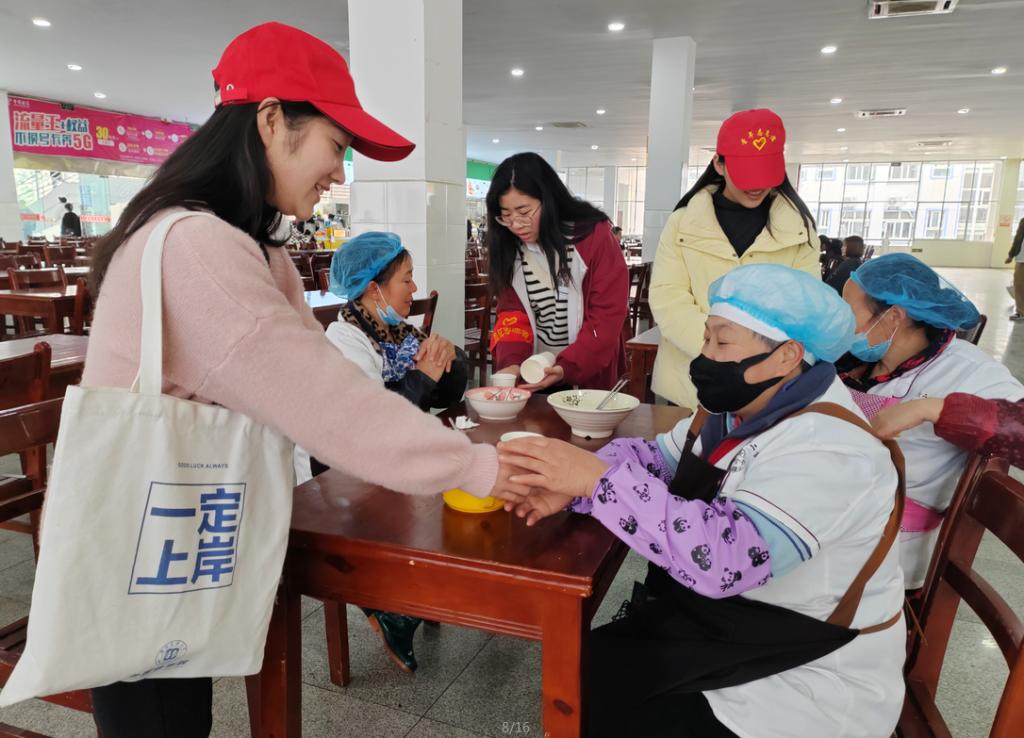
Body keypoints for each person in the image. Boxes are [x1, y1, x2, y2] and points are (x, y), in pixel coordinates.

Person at [82, 22, 515, 737]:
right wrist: (487, 469)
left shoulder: (257, 251)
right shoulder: (196, 245)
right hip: (144, 548)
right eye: (336, 146)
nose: (340, 174)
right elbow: (331, 408)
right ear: (270, 119)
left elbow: (321, 389)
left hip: (184, 533)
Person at [499, 264, 905, 738]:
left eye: (722, 341)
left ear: (787, 355)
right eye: (707, 337)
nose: (705, 355)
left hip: (804, 672)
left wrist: (598, 482)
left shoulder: (830, 449)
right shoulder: (737, 409)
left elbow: (724, 559)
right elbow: (659, 460)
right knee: (587, 671)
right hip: (731, 626)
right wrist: (574, 481)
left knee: (607, 700)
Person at [837, 253, 1024, 588]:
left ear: (893, 316)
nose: (838, 322)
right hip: (832, 514)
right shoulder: (855, 361)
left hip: (885, 548)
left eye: (847, 312)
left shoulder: (966, 370)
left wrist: (934, 409)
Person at [649, 109, 821, 408]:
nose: (756, 187)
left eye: (764, 175)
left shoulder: (799, 229)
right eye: (746, 176)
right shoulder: (682, 223)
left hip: (764, 386)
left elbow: (805, 307)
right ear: (719, 163)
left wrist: (753, 359)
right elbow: (669, 298)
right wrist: (719, 350)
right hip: (688, 383)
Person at [485, 152, 628, 391]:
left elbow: (606, 316)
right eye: (506, 216)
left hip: (586, 368)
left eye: (524, 212)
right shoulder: (510, 248)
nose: (516, 225)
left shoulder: (593, 238)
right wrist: (511, 364)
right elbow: (512, 313)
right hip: (535, 371)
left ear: (549, 200)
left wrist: (567, 367)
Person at [1008, 215, 1024, 321]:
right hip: (1022, 259)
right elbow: (1018, 239)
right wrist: (1011, 254)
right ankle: (1021, 312)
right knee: (1019, 285)